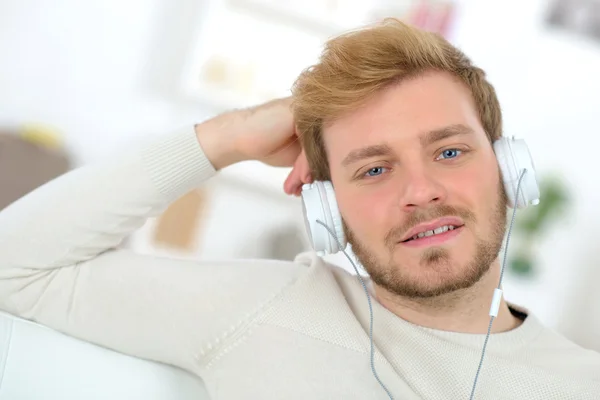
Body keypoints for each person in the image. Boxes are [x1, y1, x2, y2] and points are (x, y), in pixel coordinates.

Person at [0, 18, 599, 400]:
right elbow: (15, 268)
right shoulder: (265, 309)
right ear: (326, 210)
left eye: (448, 150)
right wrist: (227, 137)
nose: (420, 191)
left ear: (508, 168)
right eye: (373, 168)